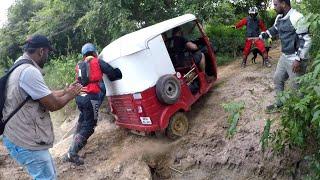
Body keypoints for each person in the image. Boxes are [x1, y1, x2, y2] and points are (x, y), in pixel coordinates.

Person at [2, 34, 83, 179]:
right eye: (47, 52)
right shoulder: (29, 72)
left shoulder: (20, 65)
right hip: (23, 139)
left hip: (17, 135)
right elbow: (53, 104)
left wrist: (65, 91)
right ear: (41, 51)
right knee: (47, 177)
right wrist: (72, 94)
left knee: (49, 173)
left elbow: (44, 94)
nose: (47, 56)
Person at [63, 43, 122, 165]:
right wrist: (120, 72)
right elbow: (112, 73)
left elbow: (80, 80)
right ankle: (72, 153)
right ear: (94, 53)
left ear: (84, 55)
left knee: (82, 120)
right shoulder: (97, 62)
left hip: (80, 97)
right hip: (91, 98)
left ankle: (70, 150)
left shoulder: (79, 65)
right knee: (90, 126)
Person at [260, 0, 312, 113]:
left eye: (275, 4)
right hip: (284, 56)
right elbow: (275, 29)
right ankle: (280, 103)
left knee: (297, 88)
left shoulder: (298, 17)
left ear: (283, 4)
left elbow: (306, 40)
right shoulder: (279, 17)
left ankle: (300, 114)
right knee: (277, 79)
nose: (274, 7)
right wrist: (265, 34)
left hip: (296, 58)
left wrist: (298, 59)